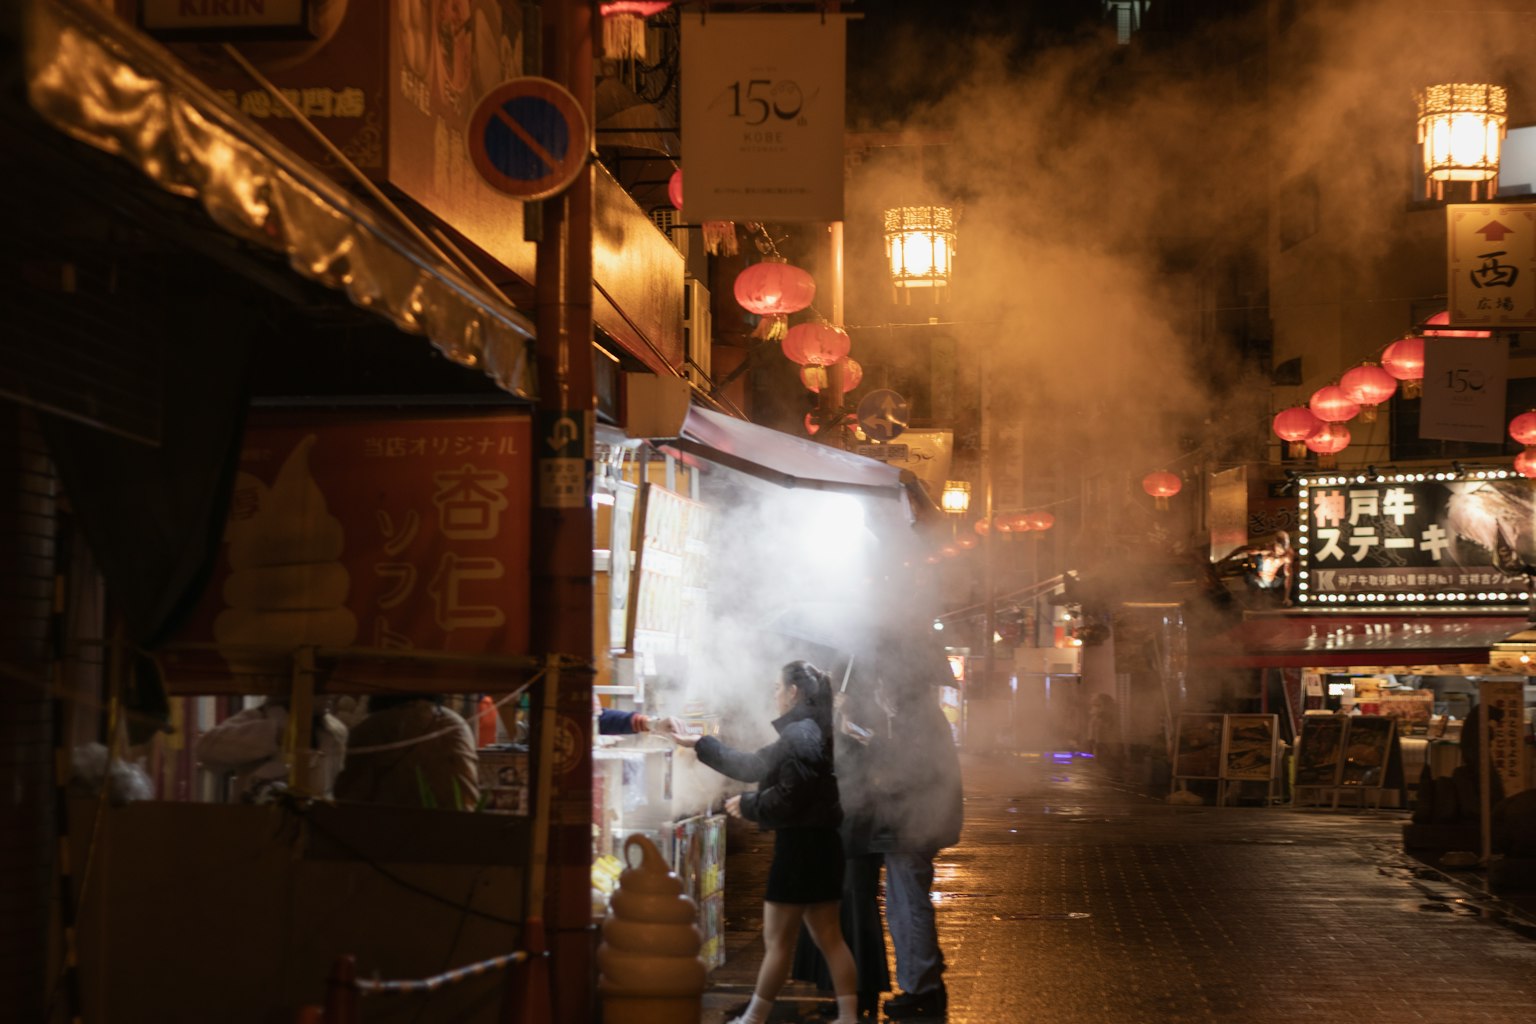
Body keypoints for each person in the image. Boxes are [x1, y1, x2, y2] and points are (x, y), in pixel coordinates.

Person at [666, 661, 861, 1024]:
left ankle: (754, 1019)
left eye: (776, 687)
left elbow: (792, 794)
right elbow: (753, 766)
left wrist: (750, 804)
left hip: (800, 850)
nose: (772, 694)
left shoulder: (799, 734)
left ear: (793, 693)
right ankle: (847, 1017)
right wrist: (700, 744)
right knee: (828, 937)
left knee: (778, 940)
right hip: (820, 847)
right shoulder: (809, 730)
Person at [867, 644, 963, 1021]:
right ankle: (923, 981)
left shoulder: (916, 719)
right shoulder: (921, 716)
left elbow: (906, 773)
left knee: (908, 907)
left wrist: (876, 773)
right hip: (915, 824)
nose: (881, 688)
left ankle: (921, 988)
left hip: (914, 825)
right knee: (903, 905)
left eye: (886, 682)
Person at [333, 693, 480, 810]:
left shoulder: (371, 728)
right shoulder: (455, 724)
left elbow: (348, 799)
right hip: (457, 832)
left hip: (384, 837)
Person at [195, 696, 347, 802]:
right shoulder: (261, 717)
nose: (330, 695)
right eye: (319, 688)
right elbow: (206, 748)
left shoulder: (334, 733)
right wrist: (273, 735)